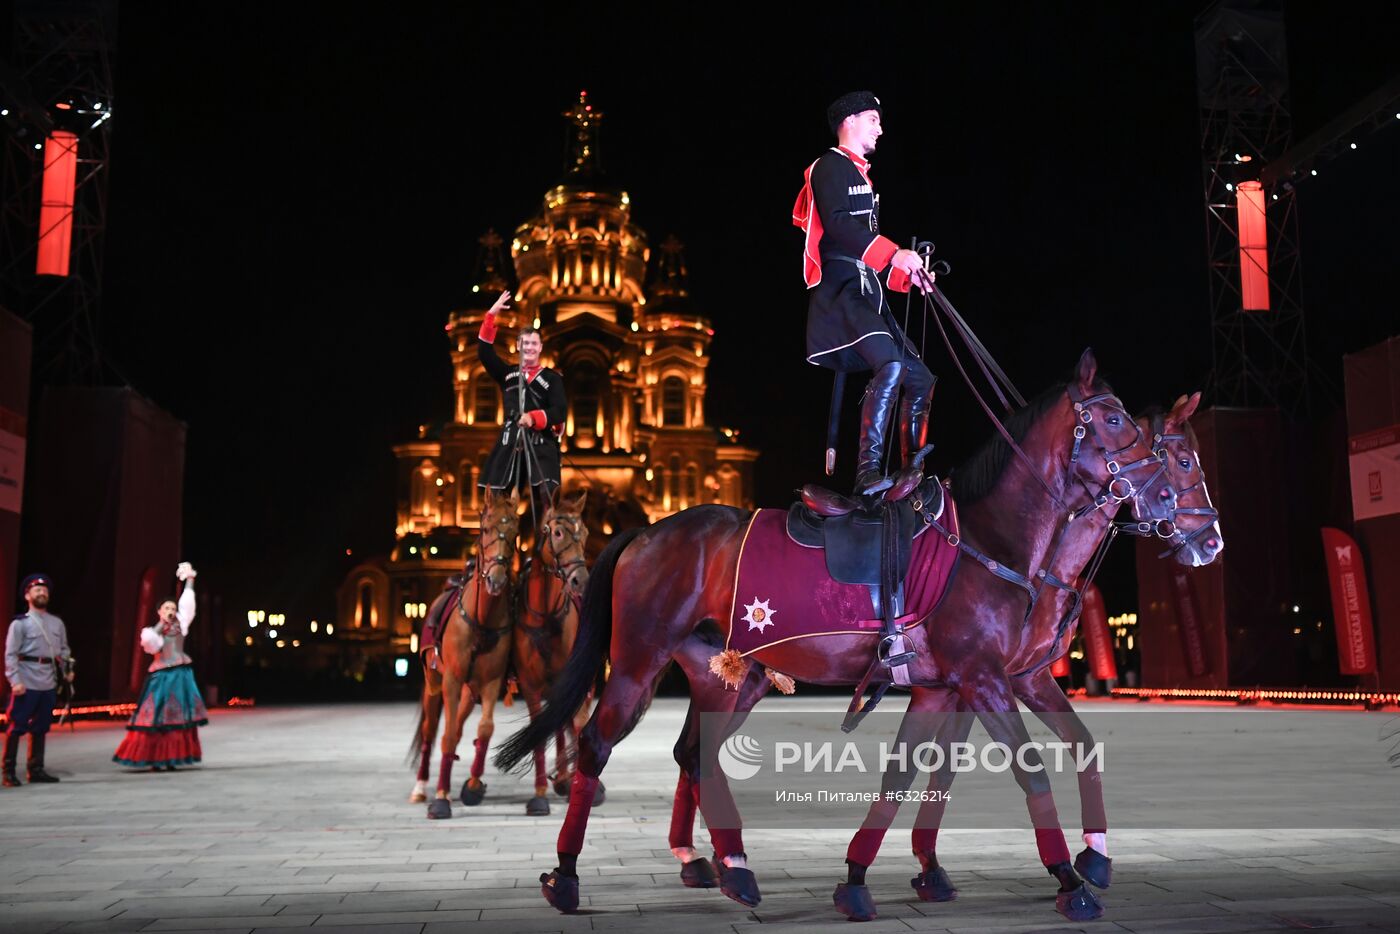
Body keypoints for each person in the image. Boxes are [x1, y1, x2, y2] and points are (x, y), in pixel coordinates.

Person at [793, 91, 938, 496]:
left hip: (866, 291)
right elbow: (840, 227)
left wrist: (908, 274)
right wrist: (895, 254)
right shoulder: (829, 167)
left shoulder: (862, 176)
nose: (880, 127)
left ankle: (913, 471)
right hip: (842, 293)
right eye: (873, 119)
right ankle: (867, 474)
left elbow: (867, 247)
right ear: (850, 121)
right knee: (890, 365)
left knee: (921, 376)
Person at [476, 289, 567, 520]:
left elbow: (559, 411)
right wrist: (491, 315)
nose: (529, 347)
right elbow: (485, 353)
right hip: (510, 444)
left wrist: (534, 418)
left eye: (534, 343)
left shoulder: (552, 379)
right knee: (496, 504)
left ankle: (551, 550)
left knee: (550, 504)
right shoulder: (506, 374)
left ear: (540, 347)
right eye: (525, 343)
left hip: (541, 445)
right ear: (518, 346)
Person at [113, 562, 208, 771]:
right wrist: (161, 624)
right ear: (159, 611)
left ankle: (173, 757)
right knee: (157, 716)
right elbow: (149, 644)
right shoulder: (152, 631)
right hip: (162, 677)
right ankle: (155, 758)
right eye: (167, 608)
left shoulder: (181, 625)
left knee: (178, 716)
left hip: (180, 675)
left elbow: (188, 605)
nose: (171, 611)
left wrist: (190, 580)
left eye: (173, 608)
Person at [3, 573, 72, 787]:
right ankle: (8, 770)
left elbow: (63, 650)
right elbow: (10, 654)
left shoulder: (56, 622)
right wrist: (15, 680)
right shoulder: (20, 624)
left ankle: (36, 768)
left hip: (48, 681)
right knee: (17, 726)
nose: (41, 593)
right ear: (27, 595)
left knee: (42, 726)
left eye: (44, 590)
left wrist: (67, 669)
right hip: (27, 679)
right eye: (36, 590)